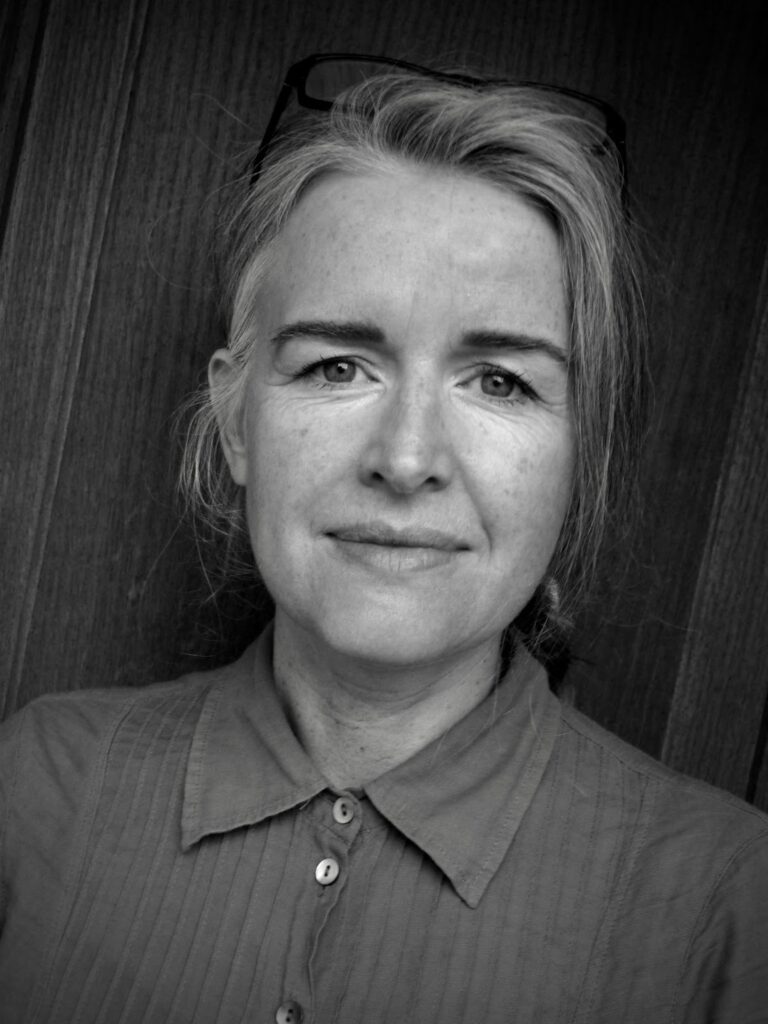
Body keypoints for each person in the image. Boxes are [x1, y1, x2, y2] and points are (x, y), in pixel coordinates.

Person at [1, 54, 766, 1024]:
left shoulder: (730, 916)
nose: (406, 460)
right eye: (336, 367)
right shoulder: (30, 796)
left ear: (580, 459)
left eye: (500, 381)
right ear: (237, 423)